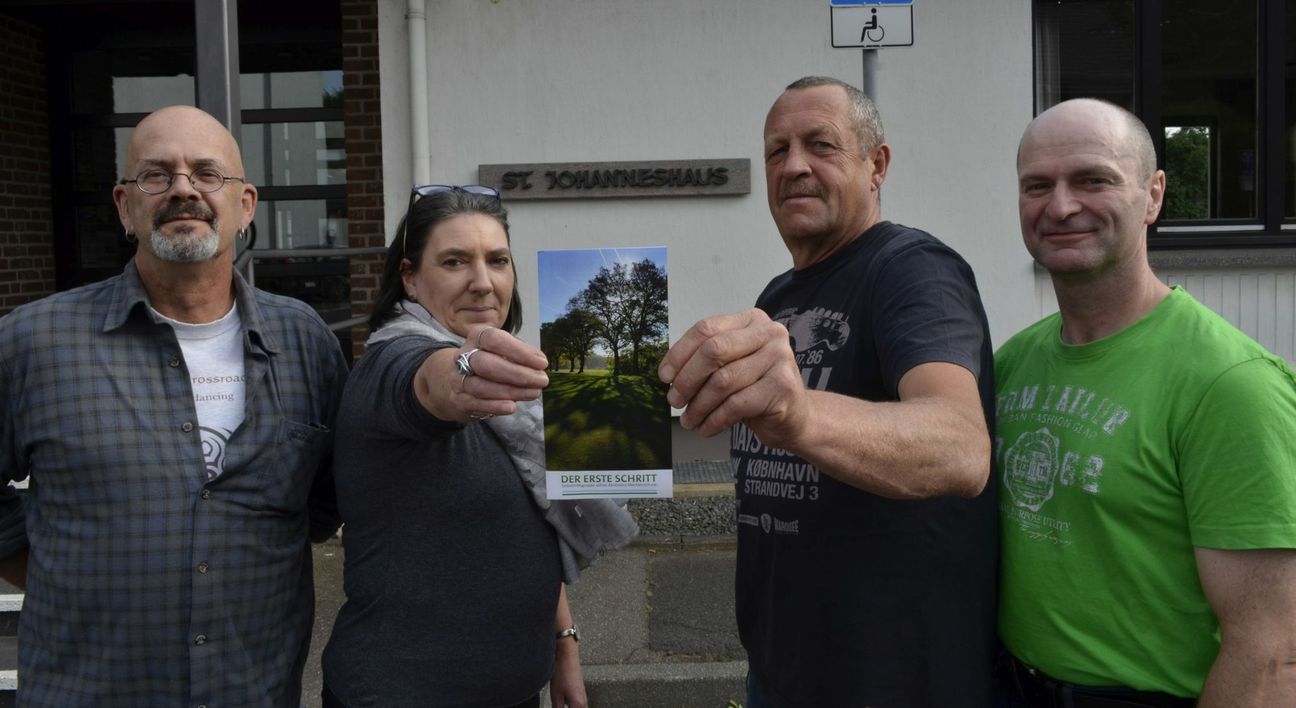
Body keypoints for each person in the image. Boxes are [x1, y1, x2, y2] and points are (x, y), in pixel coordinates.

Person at [659, 76, 998, 707]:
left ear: (877, 165)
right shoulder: (778, 299)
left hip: (895, 682)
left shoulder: (911, 270)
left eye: (822, 145)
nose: (794, 166)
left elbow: (960, 445)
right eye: (776, 151)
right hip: (783, 672)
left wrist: (799, 415)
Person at [0, 105, 348, 706]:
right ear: (124, 206)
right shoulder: (33, 341)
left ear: (245, 205)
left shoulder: (304, 340)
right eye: (156, 175)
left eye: (207, 173)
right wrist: (52, 566)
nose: (184, 188)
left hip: (254, 690)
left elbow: (322, 497)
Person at [996, 98, 1296, 707]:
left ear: (1154, 195)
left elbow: (1270, 650)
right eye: (1037, 186)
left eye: (1093, 180)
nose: (1060, 206)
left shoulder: (1232, 385)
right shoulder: (1012, 362)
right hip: (1011, 687)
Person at [321, 185, 635, 708]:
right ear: (410, 278)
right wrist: (463, 372)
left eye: (498, 260)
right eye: (454, 261)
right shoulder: (386, 363)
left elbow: (539, 520)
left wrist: (564, 648)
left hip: (516, 691)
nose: (483, 282)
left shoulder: (525, 395)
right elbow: (427, 385)